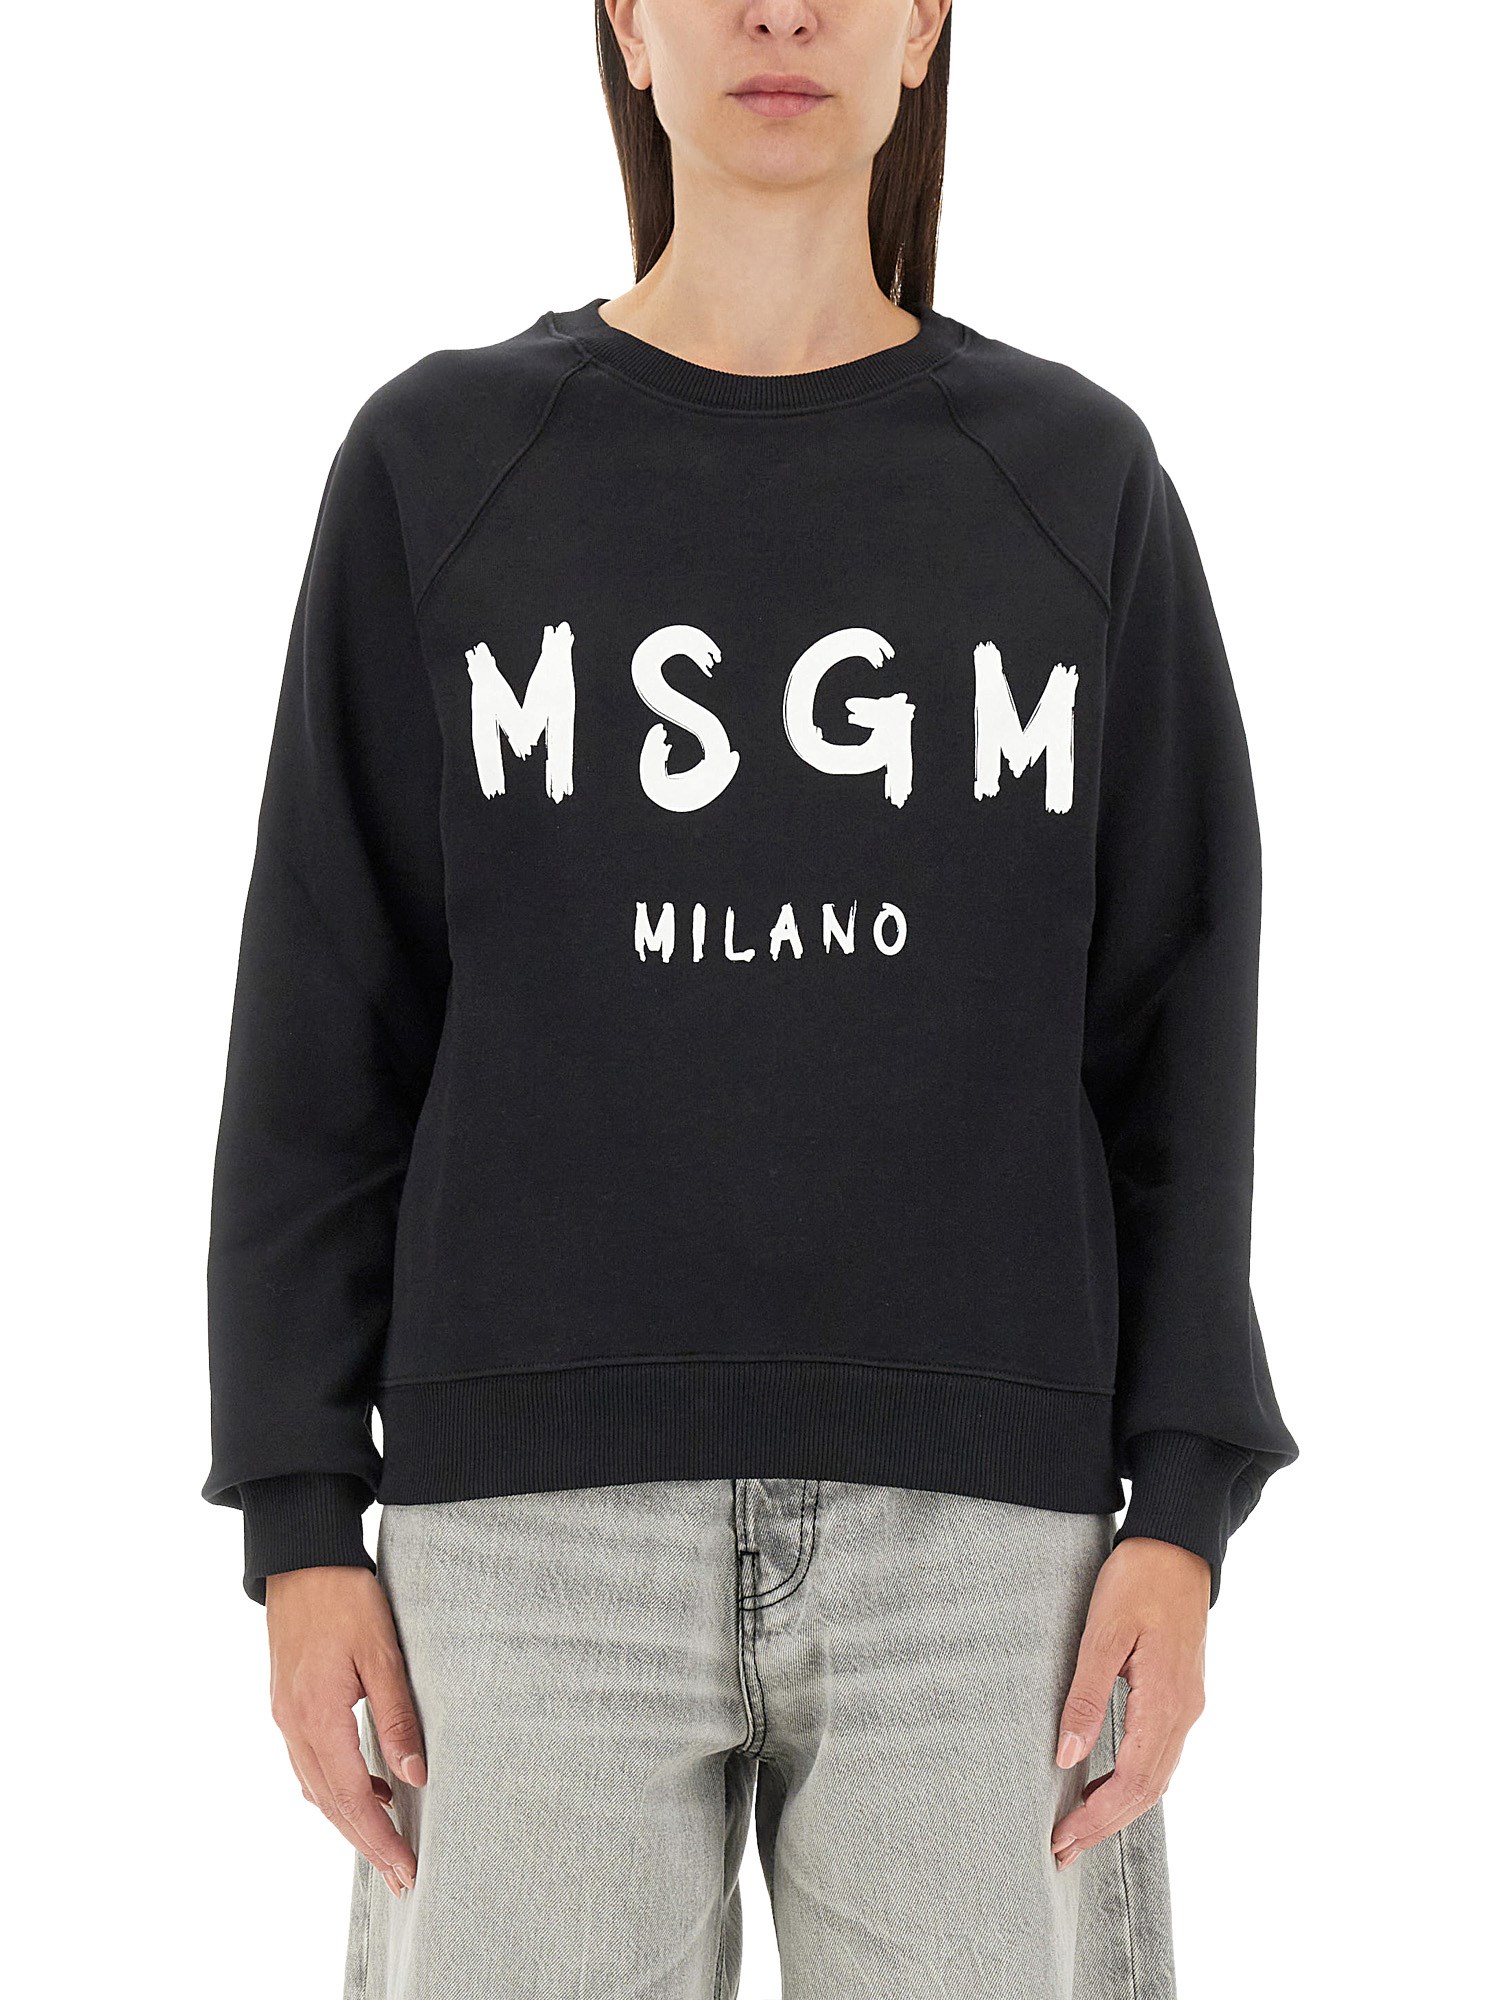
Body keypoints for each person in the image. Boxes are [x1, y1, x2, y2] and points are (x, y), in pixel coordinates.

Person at [201, 4, 1299, 1994]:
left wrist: (1186, 1504)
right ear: (625, 25)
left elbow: (1178, 1022)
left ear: (926, 24)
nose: (777, 10)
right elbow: (324, 1008)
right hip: (523, 1535)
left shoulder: (1077, 485)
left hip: (991, 1546)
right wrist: (299, 1517)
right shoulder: (440, 468)